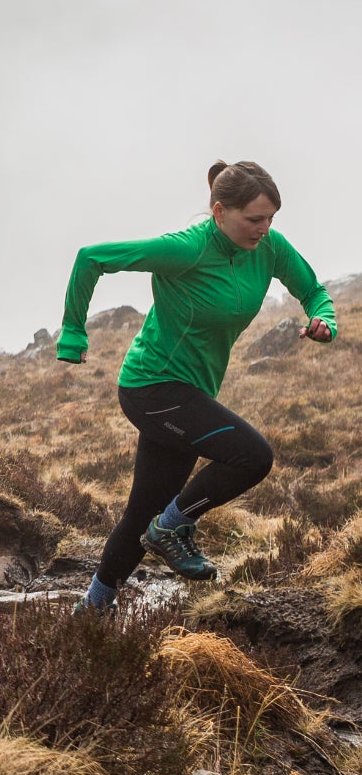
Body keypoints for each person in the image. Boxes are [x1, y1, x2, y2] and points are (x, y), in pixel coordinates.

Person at [58, 160, 336, 610]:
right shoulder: (185, 248)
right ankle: (172, 529)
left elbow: (314, 291)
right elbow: (91, 257)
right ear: (220, 212)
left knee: (142, 511)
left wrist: (323, 319)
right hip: (152, 387)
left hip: (190, 392)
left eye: (270, 219)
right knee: (253, 456)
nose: (264, 229)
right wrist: (73, 331)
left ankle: (91, 609)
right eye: (254, 219)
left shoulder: (269, 247)